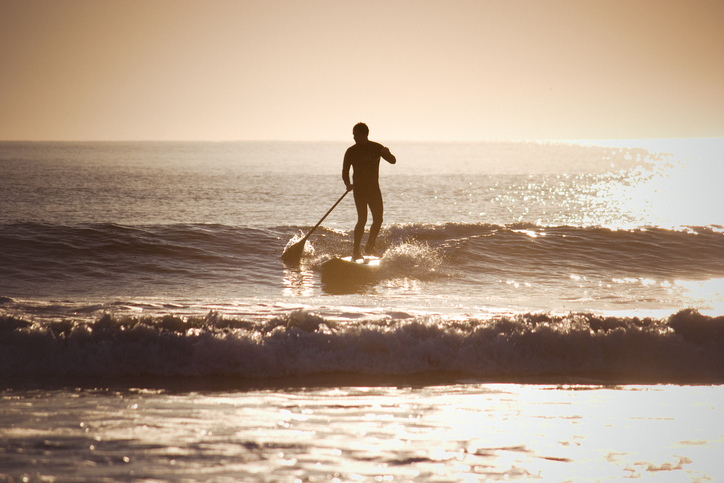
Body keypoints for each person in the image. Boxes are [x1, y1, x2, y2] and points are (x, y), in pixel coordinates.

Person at [342, 122, 396, 259]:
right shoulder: (351, 151)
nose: (354, 137)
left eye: (356, 135)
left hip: (373, 190)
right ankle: (356, 252)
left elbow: (393, 161)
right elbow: (345, 171)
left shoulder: (376, 148)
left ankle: (370, 246)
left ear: (365, 135)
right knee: (362, 219)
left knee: (378, 219)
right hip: (359, 190)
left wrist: (387, 153)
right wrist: (348, 184)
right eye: (353, 135)